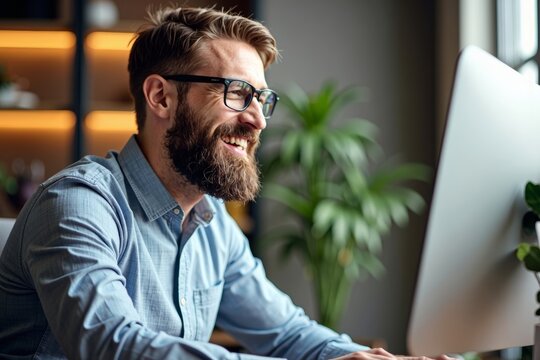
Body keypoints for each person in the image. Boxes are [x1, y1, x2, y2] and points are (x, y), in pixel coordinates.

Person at [0, 6, 449, 360]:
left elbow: (286, 332)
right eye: (237, 93)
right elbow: (111, 346)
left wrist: (358, 357)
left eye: (262, 99)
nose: (256, 120)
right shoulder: (79, 203)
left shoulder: (213, 228)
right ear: (161, 97)